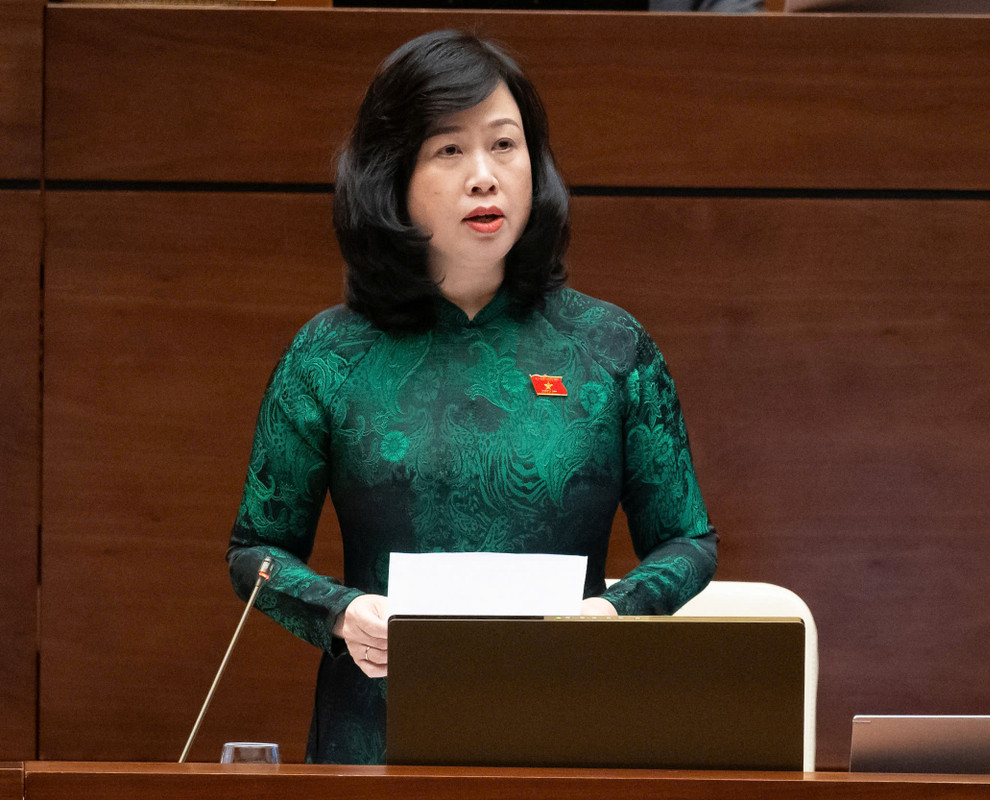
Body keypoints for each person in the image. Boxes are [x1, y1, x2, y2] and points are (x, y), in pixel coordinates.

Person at [226, 30, 717, 765]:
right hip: (378, 731)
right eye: (449, 149)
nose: (484, 177)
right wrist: (342, 612)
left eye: (504, 145)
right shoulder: (329, 355)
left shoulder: (612, 346)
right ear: (392, 175)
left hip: (569, 725)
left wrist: (614, 612)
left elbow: (688, 540)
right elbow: (255, 551)